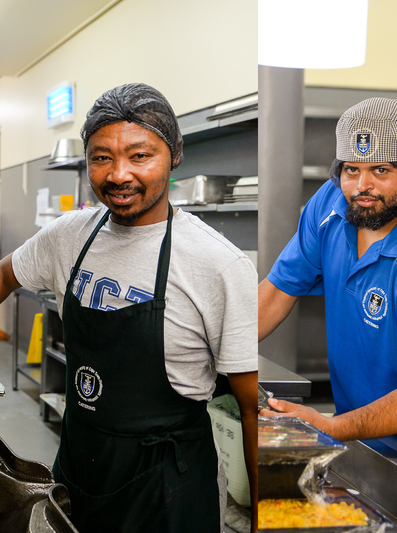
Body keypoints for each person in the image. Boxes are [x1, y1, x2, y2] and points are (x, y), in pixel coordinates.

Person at [0, 84, 258, 533]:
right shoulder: (68, 236)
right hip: (79, 463)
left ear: (175, 154)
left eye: (140, 156)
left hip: (167, 485)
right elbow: (3, 277)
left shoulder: (217, 263)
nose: (119, 174)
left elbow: (250, 406)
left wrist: (265, 517)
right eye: (101, 157)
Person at [259, 97, 397, 478]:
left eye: (380, 169)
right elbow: (277, 290)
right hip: (359, 430)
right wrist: (226, 349)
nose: (362, 186)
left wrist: (332, 426)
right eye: (351, 169)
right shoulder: (332, 204)